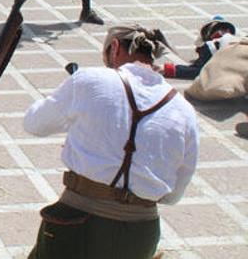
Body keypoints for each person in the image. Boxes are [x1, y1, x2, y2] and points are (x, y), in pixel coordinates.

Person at [24, 24, 199, 259]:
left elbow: (34, 123)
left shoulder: (90, 80)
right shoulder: (184, 111)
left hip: (77, 220)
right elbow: (174, 194)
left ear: (114, 47)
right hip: (141, 233)